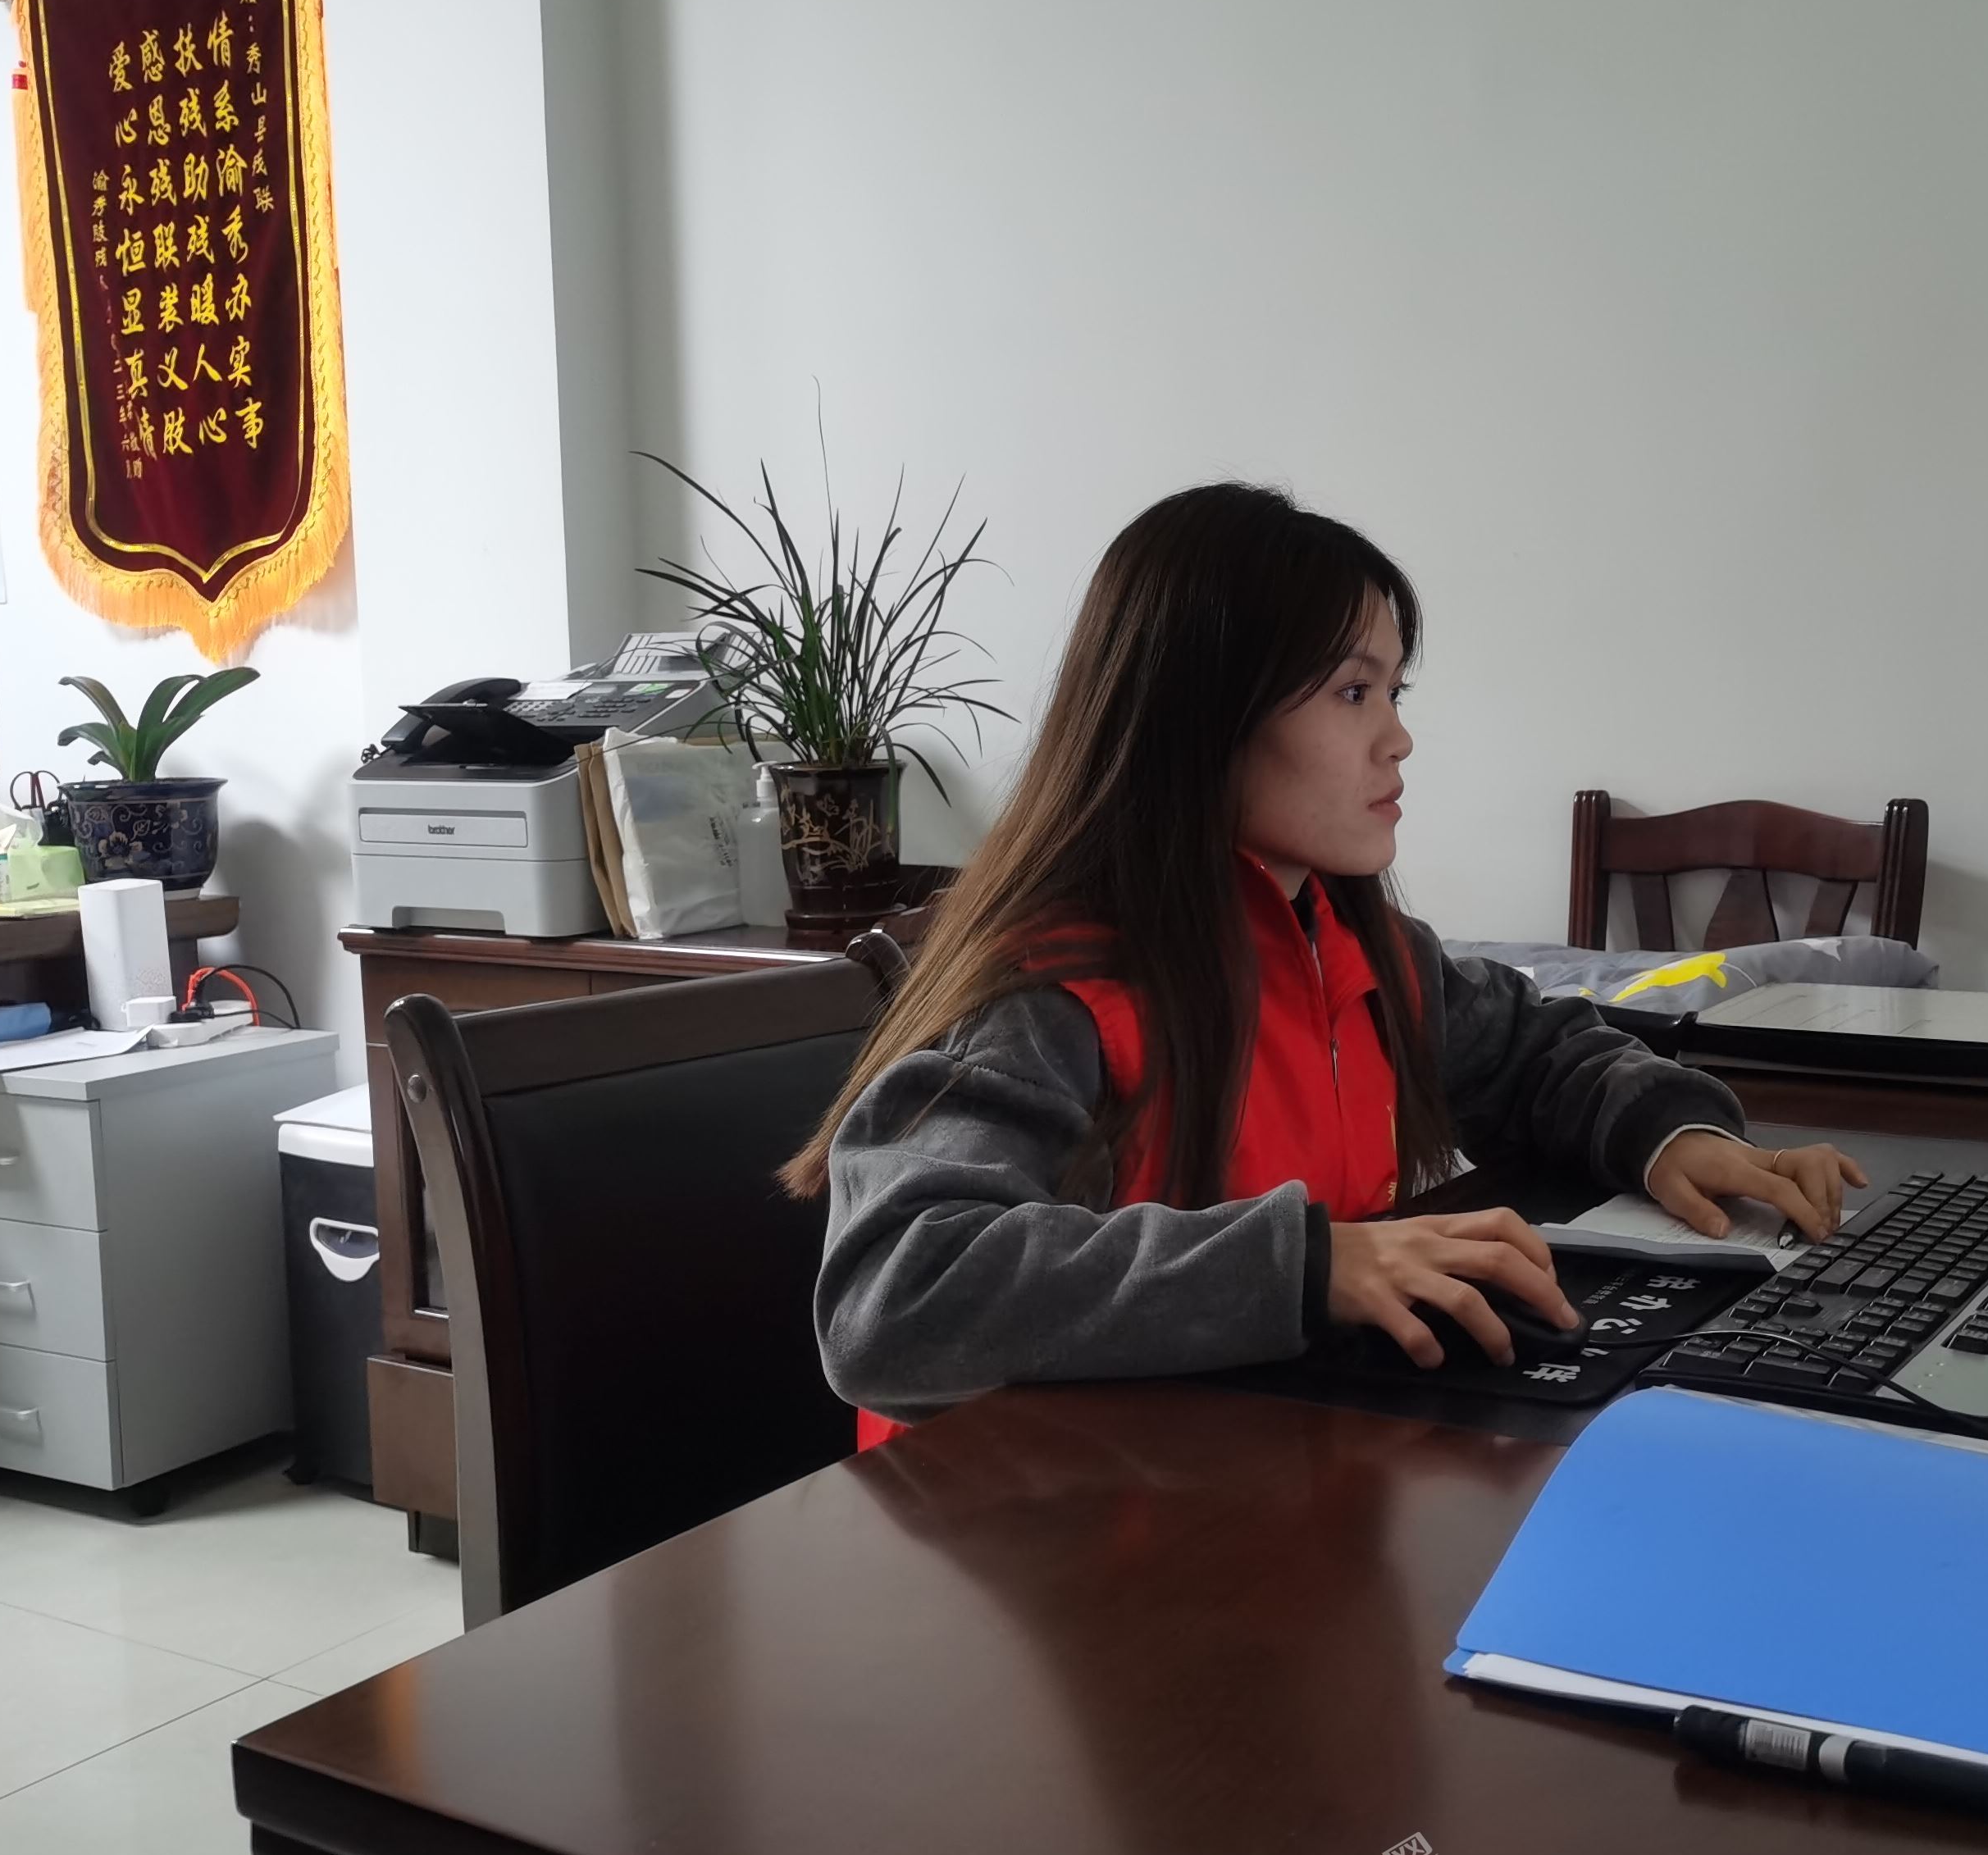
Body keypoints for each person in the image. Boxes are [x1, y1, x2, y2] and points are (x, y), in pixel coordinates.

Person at [793, 482, 1863, 1427]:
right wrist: (1309, 1266)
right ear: (1203, 716)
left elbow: (1542, 1053)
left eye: (1397, 693)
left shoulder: (1357, 952)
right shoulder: (1051, 988)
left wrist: (1667, 1134)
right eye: (1355, 693)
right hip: (1026, 1540)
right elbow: (892, 1296)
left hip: (1247, 1475)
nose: (1397, 738)